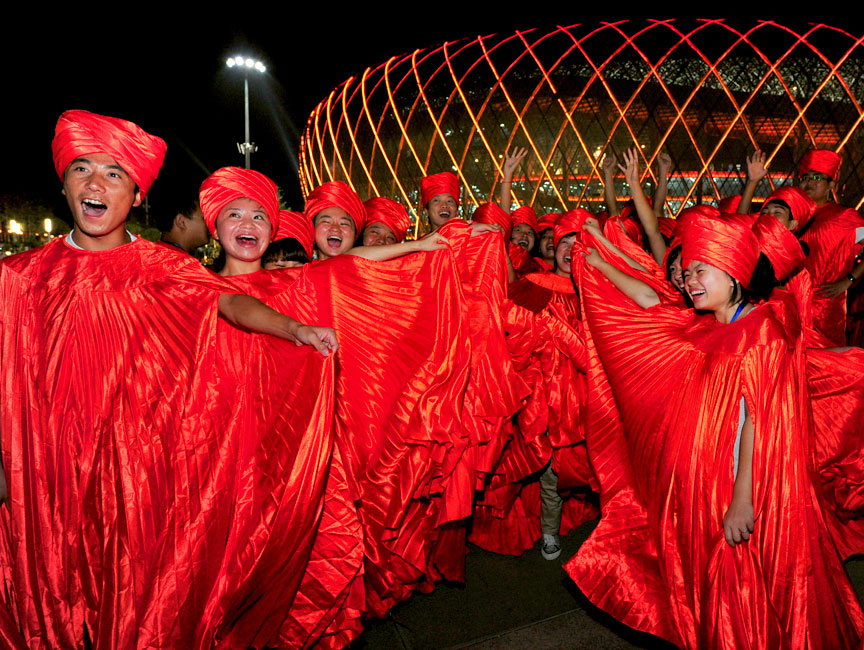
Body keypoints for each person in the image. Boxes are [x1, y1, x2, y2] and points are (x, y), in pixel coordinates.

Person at [0, 110, 335, 649]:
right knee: (54, 599)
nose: (95, 184)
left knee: (135, 602)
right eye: (82, 169)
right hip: (50, 475)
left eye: (114, 174)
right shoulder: (19, 277)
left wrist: (293, 328)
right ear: (63, 184)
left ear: (137, 195)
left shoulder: (166, 267)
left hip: (138, 473)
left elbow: (230, 303)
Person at [567, 212, 864, 649]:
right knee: (705, 594)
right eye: (687, 272)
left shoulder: (763, 334)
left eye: (700, 270)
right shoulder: (704, 325)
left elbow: (761, 420)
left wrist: (742, 500)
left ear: (733, 270)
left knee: (739, 594)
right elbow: (647, 299)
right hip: (702, 493)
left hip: (735, 492)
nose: (690, 281)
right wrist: (600, 258)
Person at [796, 149, 864, 345]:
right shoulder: (794, 216)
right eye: (805, 177)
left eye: (817, 177)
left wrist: (848, 280)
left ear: (832, 184)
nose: (809, 182)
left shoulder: (845, 218)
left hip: (825, 310)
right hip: (792, 306)